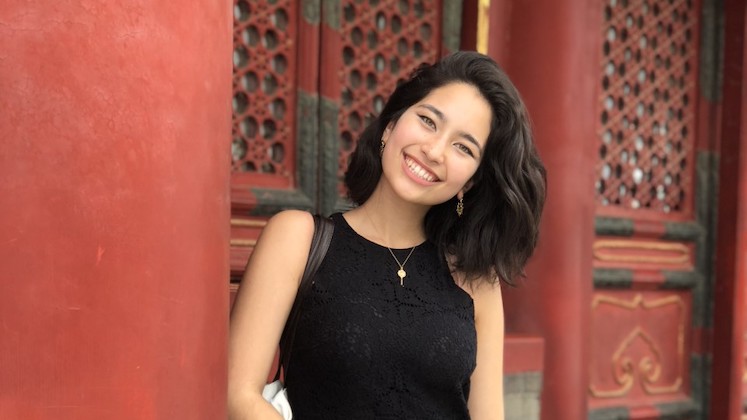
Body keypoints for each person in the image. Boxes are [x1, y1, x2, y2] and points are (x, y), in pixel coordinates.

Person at [228, 51, 546, 419]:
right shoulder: (298, 239)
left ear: (470, 182)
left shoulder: (475, 279)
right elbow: (238, 394)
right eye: (428, 121)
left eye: (463, 147)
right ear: (391, 125)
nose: (434, 151)